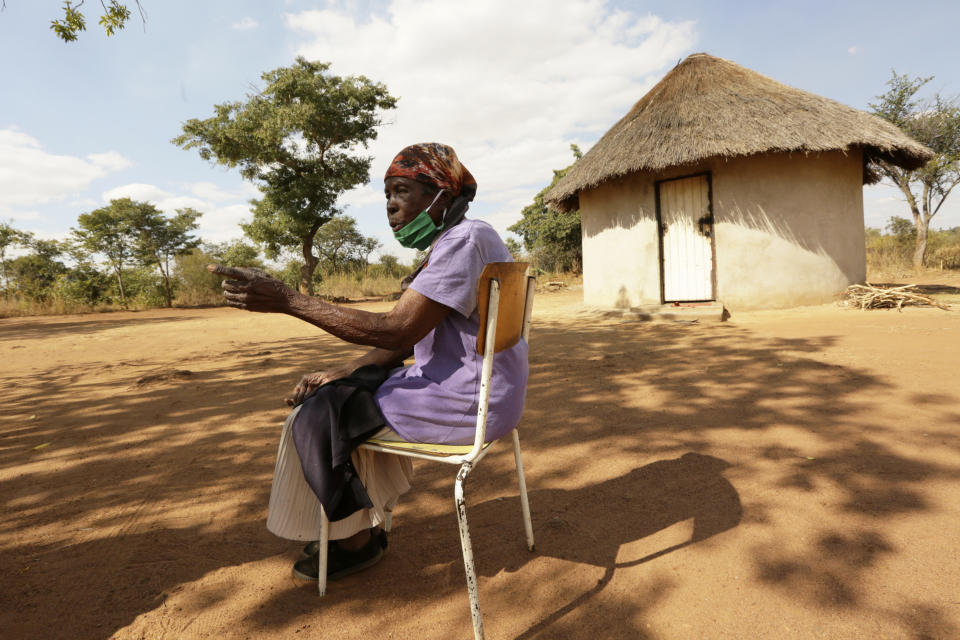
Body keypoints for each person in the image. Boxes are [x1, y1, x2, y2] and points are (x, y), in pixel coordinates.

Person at [209, 143, 529, 582]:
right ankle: (360, 521)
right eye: (386, 196)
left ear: (439, 193)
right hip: (492, 394)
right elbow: (412, 332)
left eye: (401, 191)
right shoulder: (473, 236)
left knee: (319, 414)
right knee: (349, 391)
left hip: (467, 404)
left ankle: (353, 540)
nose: (391, 206)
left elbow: (396, 330)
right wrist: (353, 368)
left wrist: (287, 299)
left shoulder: (461, 243)